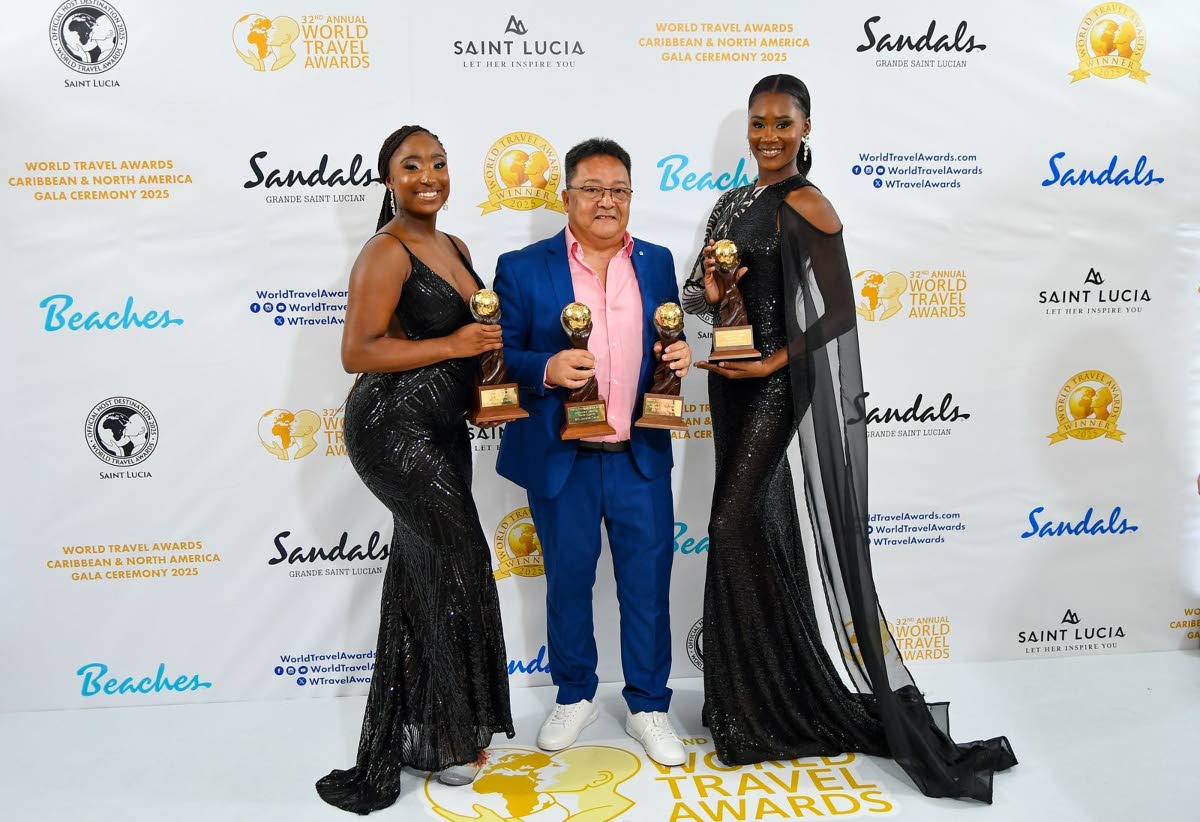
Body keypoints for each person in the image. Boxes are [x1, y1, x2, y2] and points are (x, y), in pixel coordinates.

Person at [684, 75, 1017, 803]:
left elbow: (839, 311)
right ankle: (749, 699)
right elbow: (693, 296)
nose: (768, 135)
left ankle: (770, 700)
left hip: (775, 383)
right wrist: (710, 294)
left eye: (782, 123)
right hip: (728, 378)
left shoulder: (808, 204)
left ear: (806, 127)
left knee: (729, 523)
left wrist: (774, 358)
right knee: (754, 526)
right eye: (758, 123)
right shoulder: (730, 204)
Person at [316, 125, 514, 814]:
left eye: (437, 162)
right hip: (391, 430)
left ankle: (428, 728)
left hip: (443, 429)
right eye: (411, 165)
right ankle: (455, 736)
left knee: (427, 571)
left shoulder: (454, 247)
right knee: (462, 561)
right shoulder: (385, 251)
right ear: (389, 179)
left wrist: (485, 388)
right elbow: (358, 352)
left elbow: (475, 342)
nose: (428, 174)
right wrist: (455, 341)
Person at [493, 138, 692, 767]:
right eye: (592, 189)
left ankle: (649, 705)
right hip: (563, 458)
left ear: (630, 196)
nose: (606, 202)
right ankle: (575, 693)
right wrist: (546, 366)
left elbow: (668, 336)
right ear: (567, 196)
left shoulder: (658, 262)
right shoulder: (523, 267)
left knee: (648, 585)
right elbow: (498, 354)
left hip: (640, 454)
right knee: (569, 583)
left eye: (618, 190)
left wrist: (679, 356)